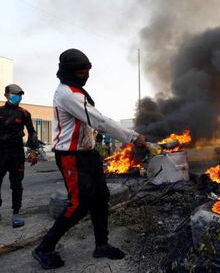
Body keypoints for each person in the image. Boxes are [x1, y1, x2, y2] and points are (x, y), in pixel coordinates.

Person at [32, 49, 147, 270]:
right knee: (78, 205)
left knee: (100, 197)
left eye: (87, 70)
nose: (85, 74)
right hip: (71, 157)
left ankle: (101, 245)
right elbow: (99, 121)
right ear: (68, 71)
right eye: (81, 71)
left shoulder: (77, 91)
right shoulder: (68, 94)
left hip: (88, 154)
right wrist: (133, 137)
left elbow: (93, 121)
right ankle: (44, 248)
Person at [0, 84, 38, 228]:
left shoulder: (24, 113)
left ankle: (16, 214)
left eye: (20, 94)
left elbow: (32, 132)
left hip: (16, 153)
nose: (18, 97)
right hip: (0, 152)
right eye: (15, 94)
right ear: (6, 95)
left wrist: (33, 150)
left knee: (16, 185)